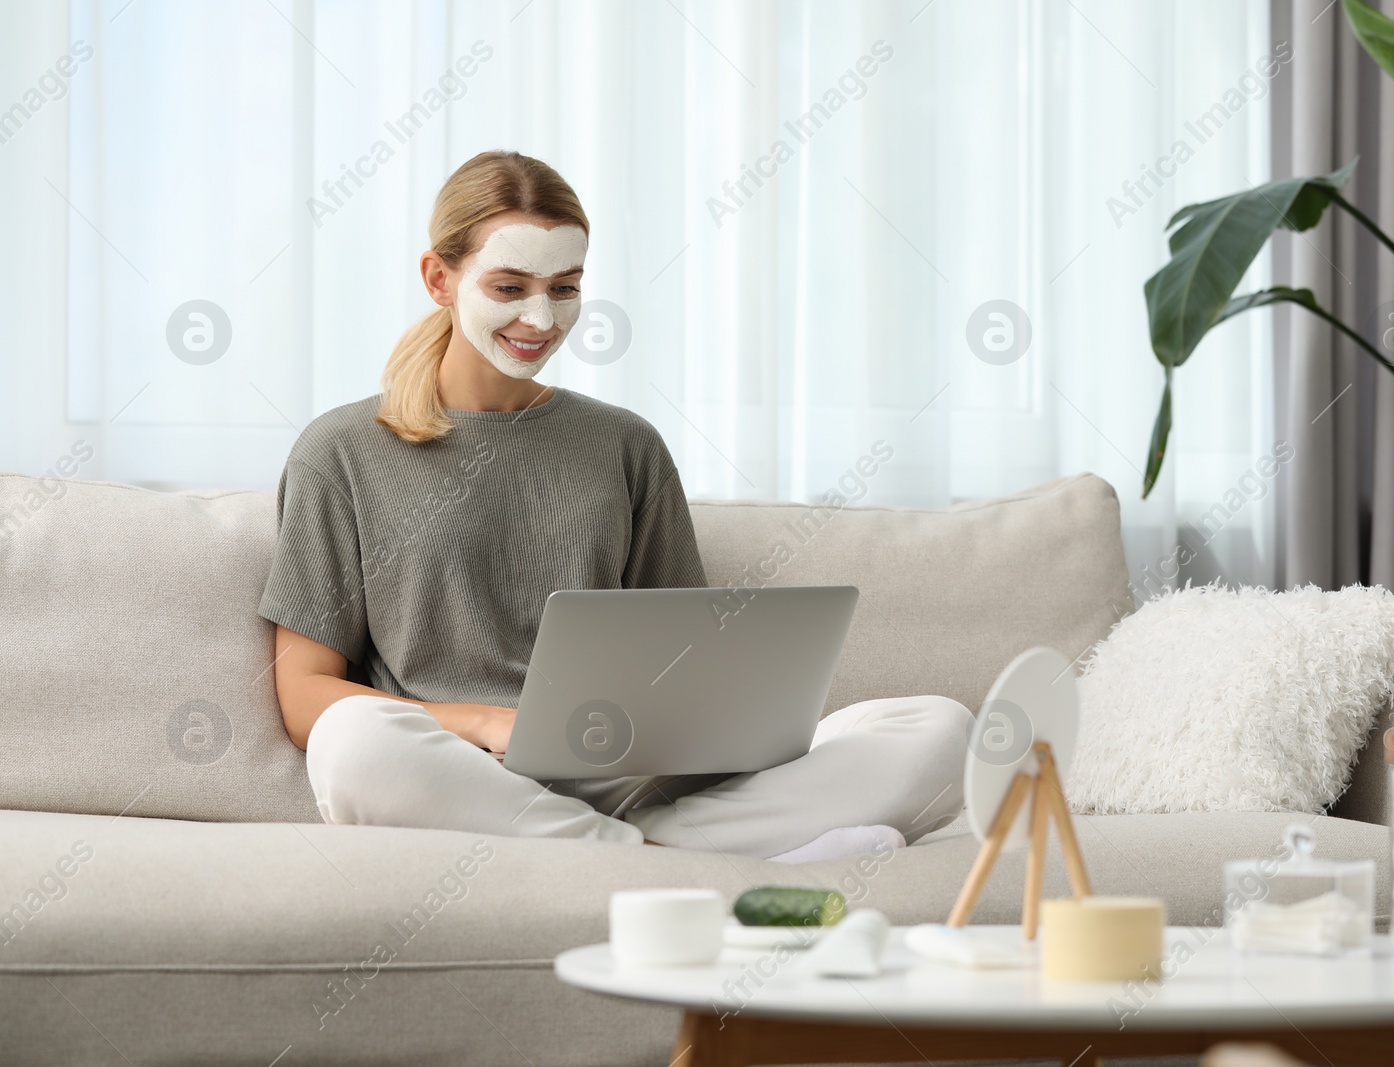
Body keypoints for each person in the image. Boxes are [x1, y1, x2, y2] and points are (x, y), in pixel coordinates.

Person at [260, 150, 969, 863]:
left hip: (621, 776)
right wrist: (483, 721)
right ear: (439, 279)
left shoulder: (624, 444)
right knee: (353, 744)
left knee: (941, 727)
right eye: (509, 286)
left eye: (564, 288)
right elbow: (303, 695)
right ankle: (677, 859)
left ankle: (624, 853)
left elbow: (686, 658)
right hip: (464, 775)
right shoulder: (341, 450)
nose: (540, 317)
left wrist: (721, 721)